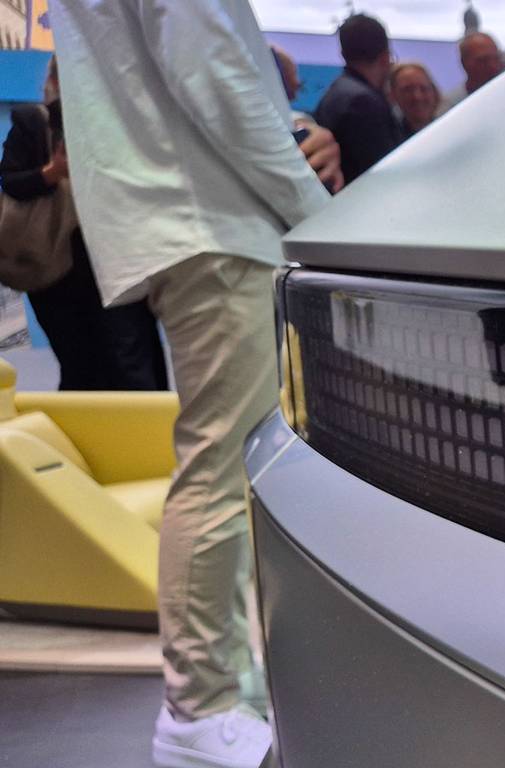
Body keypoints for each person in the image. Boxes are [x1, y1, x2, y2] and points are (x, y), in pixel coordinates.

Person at [50, 1, 340, 766]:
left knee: (231, 470)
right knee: (223, 470)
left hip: (198, 220)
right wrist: (322, 218)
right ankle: (199, 706)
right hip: (214, 222)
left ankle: (219, 691)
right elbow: (211, 69)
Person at [0, 58, 167, 391]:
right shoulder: (36, 123)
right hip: (56, 270)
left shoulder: (123, 122)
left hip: (116, 264)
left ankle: (140, 424)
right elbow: (12, 183)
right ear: (56, 82)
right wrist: (53, 172)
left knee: (132, 364)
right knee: (80, 367)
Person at [314, 14, 403, 183]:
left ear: (343, 54)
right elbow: (384, 177)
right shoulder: (364, 103)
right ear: (385, 57)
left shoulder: (335, 94)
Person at [441, 32, 505, 111]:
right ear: (464, 63)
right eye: (483, 61)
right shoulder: (451, 106)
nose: (493, 66)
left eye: (496, 58)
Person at [390, 61, 440, 140]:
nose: (417, 96)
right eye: (407, 90)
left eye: (423, 88)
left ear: (434, 92)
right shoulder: (389, 140)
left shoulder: (451, 129)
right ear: (393, 95)